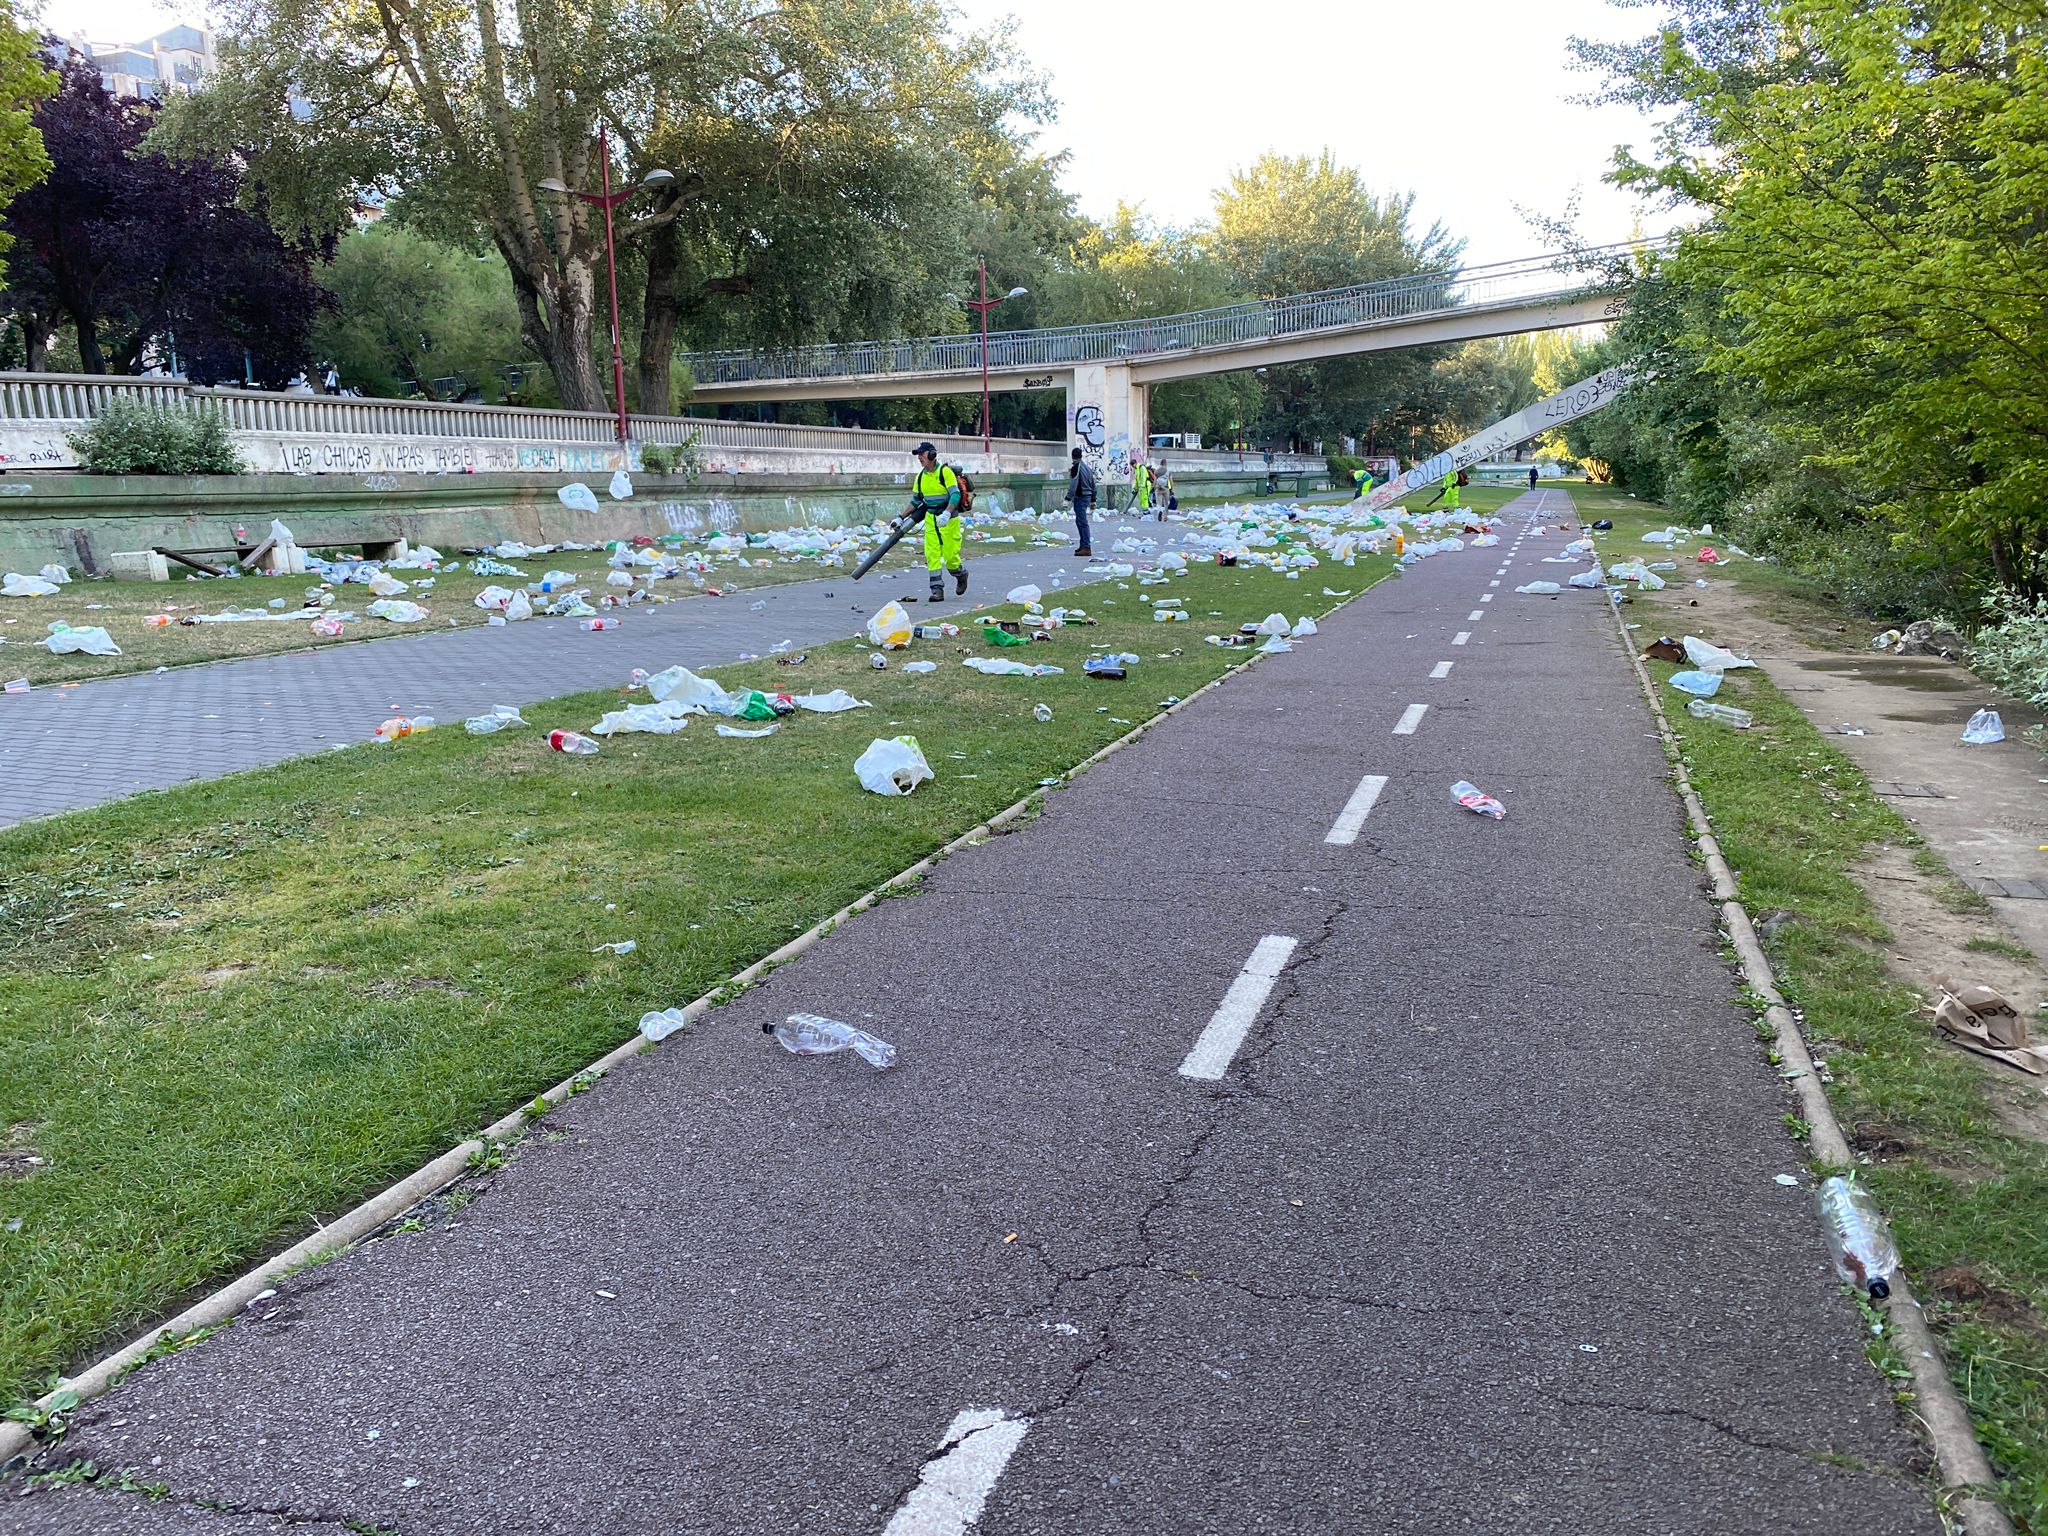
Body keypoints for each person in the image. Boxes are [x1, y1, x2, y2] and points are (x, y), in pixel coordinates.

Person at [907, 442, 965, 601]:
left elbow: (955, 495)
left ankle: (960, 574)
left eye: (922, 454)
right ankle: (937, 590)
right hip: (931, 519)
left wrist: (947, 513)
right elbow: (914, 502)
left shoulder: (944, 472)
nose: (919, 458)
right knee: (932, 555)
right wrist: (900, 517)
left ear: (932, 455)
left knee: (950, 556)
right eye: (918, 455)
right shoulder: (920, 477)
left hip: (949, 520)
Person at [1064, 447, 1097, 555]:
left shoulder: (1076, 468)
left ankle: (1086, 547)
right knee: (1080, 522)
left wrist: (1067, 498)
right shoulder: (1087, 468)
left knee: (1082, 522)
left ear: (1072, 456)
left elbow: (1073, 484)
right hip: (1088, 496)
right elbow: (1093, 484)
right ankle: (1083, 545)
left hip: (1081, 496)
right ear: (1081, 455)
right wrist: (1093, 500)